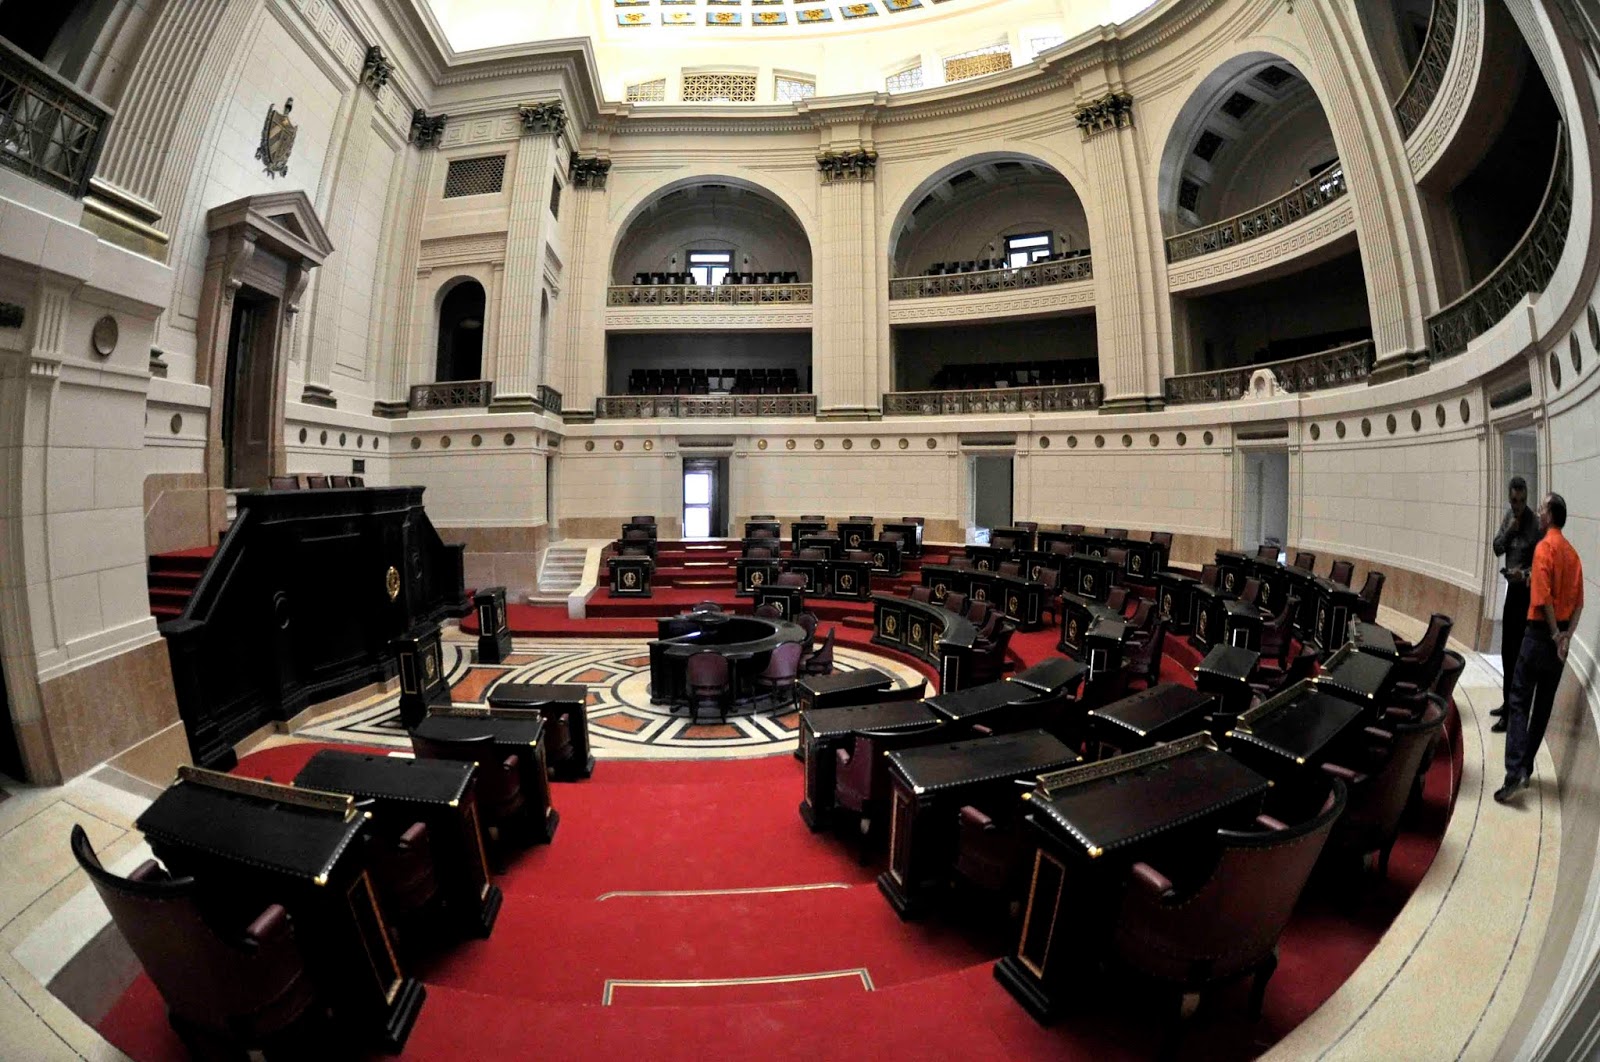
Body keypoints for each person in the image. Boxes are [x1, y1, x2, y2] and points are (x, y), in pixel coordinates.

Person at [1496, 492, 1584, 803]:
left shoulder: (1544, 547)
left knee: (1519, 701)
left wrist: (1552, 633)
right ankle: (1527, 767)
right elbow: (1579, 604)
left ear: (1551, 515)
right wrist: (1566, 637)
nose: (1539, 511)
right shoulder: (1573, 555)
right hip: (1558, 647)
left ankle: (1514, 772)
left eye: (1543, 507)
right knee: (1542, 707)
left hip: (1537, 637)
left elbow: (1544, 598)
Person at [1490, 476, 1538, 733]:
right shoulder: (1509, 517)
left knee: (1518, 656)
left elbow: (1541, 566)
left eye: (1520, 501)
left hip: (1527, 597)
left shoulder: (1536, 525)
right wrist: (1509, 530)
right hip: (1512, 593)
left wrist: (1524, 573)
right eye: (1513, 501)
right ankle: (1507, 703)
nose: (1517, 505)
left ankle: (1514, 713)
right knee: (1507, 653)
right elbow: (1497, 548)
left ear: (1526, 498)